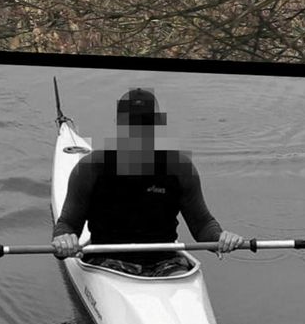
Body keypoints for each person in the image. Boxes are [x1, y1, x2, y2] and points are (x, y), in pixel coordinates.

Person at [52, 88, 245, 275]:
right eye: (131, 124)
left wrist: (221, 237)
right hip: (105, 263)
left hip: (166, 264)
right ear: (118, 124)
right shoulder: (90, 168)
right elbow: (67, 223)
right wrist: (63, 240)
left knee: (176, 272)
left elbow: (202, 225)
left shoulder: (179, 168)